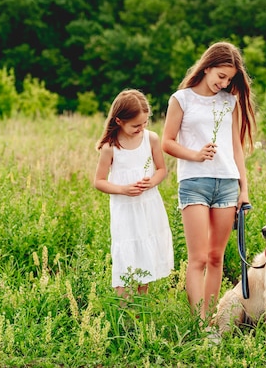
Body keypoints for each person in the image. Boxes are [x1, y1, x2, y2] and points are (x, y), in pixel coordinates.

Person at [162, 41, 256, 320]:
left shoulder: (231, 102)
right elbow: (167, 142)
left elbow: (236, 147)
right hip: (194, 183)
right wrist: (195, 154)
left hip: (227, 184)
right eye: (221, 76)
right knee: (198, 258)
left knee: (216, 258)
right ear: (207, 68)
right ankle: (197, 323)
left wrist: (244, 189)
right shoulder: (181, 99)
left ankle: (212, 320)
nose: (224, 83)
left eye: (229, 79)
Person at [94, 88, 174, 303]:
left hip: (148, 206)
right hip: (125, 210)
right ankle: (123, 309)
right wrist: (123, 189)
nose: (141, 128)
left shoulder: (152, 139)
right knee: (127, 254)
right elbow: (99, 181)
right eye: (135, 125)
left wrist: (151, 182)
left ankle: (140, 309)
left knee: (144, 254)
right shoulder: (110, 147)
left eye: (145, 123)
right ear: (119, 121)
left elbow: (161, 170)